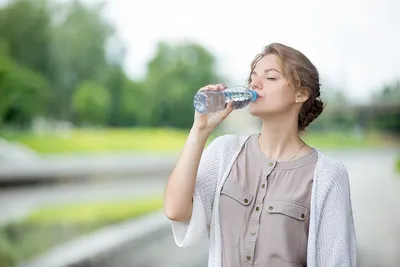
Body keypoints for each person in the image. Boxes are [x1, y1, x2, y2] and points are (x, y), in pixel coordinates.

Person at [163, 43, 357, 267]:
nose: (254, 83)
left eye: (271, 78)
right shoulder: (225, 152)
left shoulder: (328, 176)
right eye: (252, 77)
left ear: (301, 94)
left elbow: (337, 261)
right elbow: (175, 210)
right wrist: (200, 131)